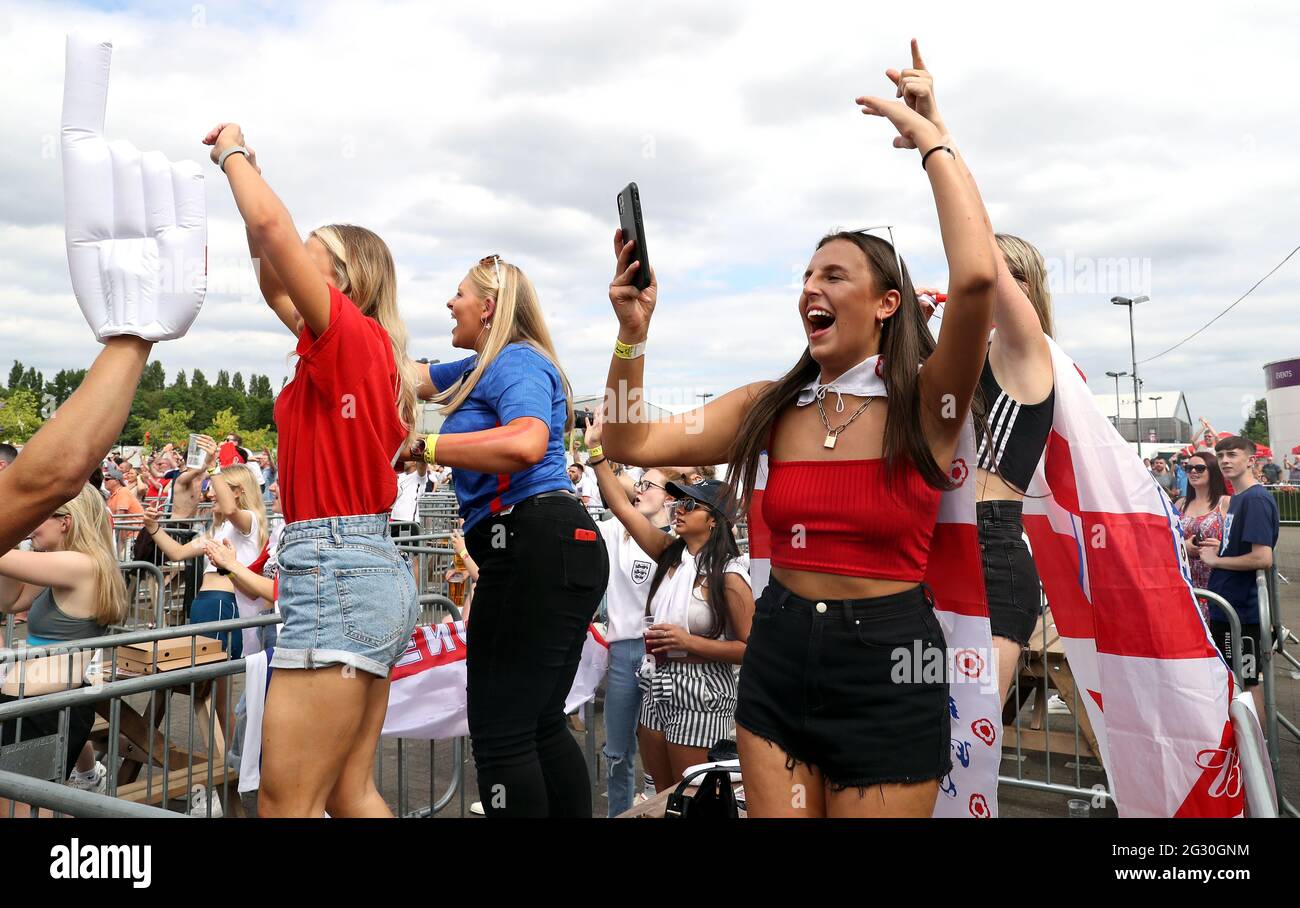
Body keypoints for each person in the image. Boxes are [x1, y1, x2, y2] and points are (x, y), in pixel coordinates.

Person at [601, 40, 997, 817]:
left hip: (888, 668)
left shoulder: (928, 405)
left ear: (888, 303)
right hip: (779, 659)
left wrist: (933, 139)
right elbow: (626, 443)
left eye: (834, 275)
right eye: (807, 278)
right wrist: (632, 333)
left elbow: (978, 276)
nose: (810, 289)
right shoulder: (772, 406)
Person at [204, 122, 421, 818]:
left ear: (344, 280)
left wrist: (233, 154)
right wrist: (253, 196)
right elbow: (272, 275)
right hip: (358, 570)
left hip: (338, 575)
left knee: (284, 803)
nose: (294, 257)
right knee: (347, 795)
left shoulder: (350, 339)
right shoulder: (347, 350)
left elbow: (269, 224)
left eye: (310, 254)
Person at [412, 252, 609, 818]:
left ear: (489, 305)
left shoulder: (517, 361)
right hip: (549, 545)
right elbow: (414, 378)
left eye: (458, 294)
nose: (449, 304)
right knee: (540, 722)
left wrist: (426, 447)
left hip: (533, 541)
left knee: (501, 733)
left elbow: (526, 440)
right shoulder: (482, 364)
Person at [583, 413, 685, 814]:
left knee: (667, 748)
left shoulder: (678, 544)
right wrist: (594, 447)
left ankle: (665, 807)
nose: (639, 488)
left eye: (648, 484)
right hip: (624, 651)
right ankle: (619, 812)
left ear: (670, 496)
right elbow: (612, 494)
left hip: (666, 655)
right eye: (638, 482)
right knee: (618, 750)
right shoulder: (614, 530)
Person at [0, 485, 128, 791]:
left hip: (43, 710)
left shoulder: (79, 565)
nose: (31, 524)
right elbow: (10, 602)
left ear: (65, 521)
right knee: (28, 802)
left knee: (27, 804)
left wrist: (11, 524)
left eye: (38, 516)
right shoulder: (64, 564)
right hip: (35, 705)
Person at [143, 453, 267, 737]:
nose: (210, 492)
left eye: (217, 485)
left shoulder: (249, 522)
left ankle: (237, 761)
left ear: (239, 492)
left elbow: (229, 507)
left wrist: (213, 467)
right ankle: (234, 761)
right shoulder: (218, 528)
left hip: (223, 607)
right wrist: (153, 528)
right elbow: (176, 552)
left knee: (217, 695)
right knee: (211, 695)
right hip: (204, 606)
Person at [1200, 436, 1279, 712]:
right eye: (1220, 455)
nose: (1224, 461)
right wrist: (1219, 549)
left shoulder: (1255, 499)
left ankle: (1258, 751)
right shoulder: (1239, 499)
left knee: (1246, 683)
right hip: (1227, 608)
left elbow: (1262, 557)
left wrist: (1217, 561)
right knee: (1233, 681)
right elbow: (1243, 547)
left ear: (1251, 460)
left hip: (1241, 611)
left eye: (1232, 455)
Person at [1175, 452, 1229, 615]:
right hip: (1184, 582)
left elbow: (1238, 542)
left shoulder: (1225, 503)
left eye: (1199, 468)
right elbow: (1164, 540)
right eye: (1188, 467)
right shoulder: (1180, 504)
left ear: (1212, 471)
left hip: (1215, 582)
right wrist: (1183, 545)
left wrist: (1222, 547)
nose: (1193, 472)